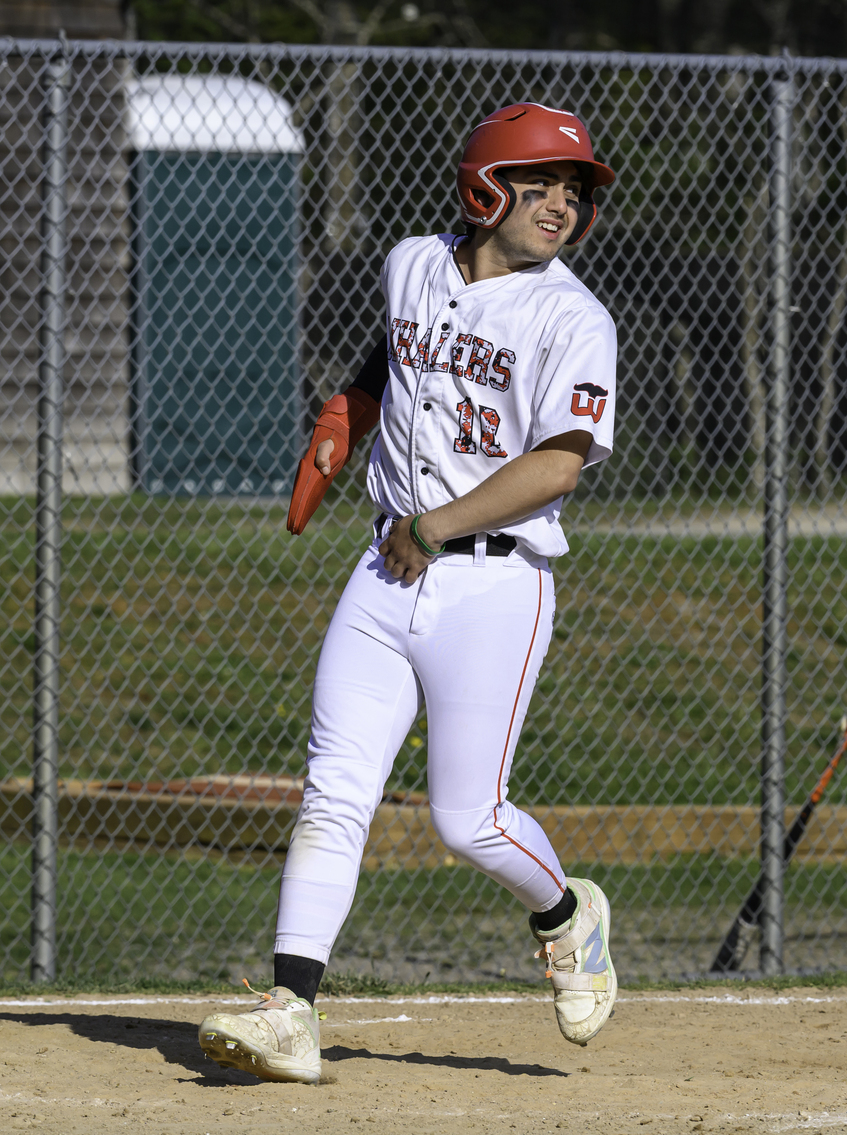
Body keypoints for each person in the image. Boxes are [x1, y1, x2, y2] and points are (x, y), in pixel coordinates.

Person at [196, 104, 621, 1084]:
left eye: (575, 188)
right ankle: (292, 1010)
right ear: (484, 187)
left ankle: (565, 913)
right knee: (333, 794)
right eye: (540, 181)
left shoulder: (572, 317)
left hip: (496, 583)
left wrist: (433, 524)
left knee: (466, 820)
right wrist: (345, 420)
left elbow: (557, 467)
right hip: (387, 576)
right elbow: (390, 361)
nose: (561, 202)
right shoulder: (411, 264)